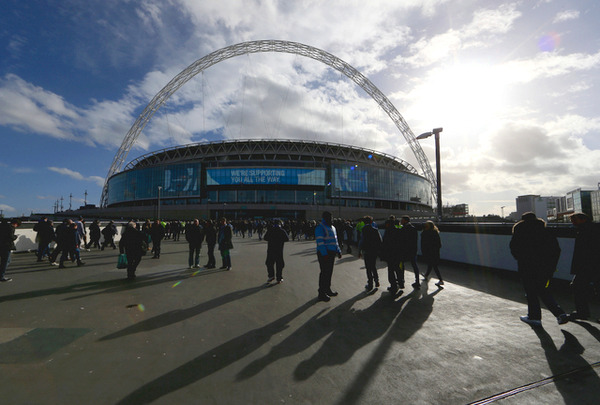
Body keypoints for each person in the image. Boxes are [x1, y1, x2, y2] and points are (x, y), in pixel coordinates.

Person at [510, 212, 568, 326]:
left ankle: (534, 317)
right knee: (542, 289)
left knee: (531, 292)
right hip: (545, 268)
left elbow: (514, 248)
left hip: (527, 266)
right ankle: (560, 314)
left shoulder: (520, 231)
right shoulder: (546, 231)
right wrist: (551, 266)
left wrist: (521, 259)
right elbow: (556, 250)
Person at [568, 212, 600, 321]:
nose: (572, 222)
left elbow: (582, 251)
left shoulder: (583, 231)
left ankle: (582, 312)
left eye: (574, 220)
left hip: (586, 265)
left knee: (578, 287)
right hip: (593, 264)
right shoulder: (593, 228)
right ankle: (582, 312)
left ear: (582, 220)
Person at [315, 211, 342, 302]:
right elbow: (320, 242)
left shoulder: (333, 228)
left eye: (331, 217)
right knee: (324, 273)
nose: (331, 219)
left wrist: (338, 251)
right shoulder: (320, 227)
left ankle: (327, 289)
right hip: (324, 254)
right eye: (329, 217)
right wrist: (324, 254)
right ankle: (321, 293)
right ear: (324, 218)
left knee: (329, 272)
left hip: (332, 253)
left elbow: (335, 241)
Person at [381, 215, 404, 297]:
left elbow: (384, 244)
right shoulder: (398, 231)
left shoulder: (387, 232)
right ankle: (401, 283)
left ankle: (393, 285)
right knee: (397, 268)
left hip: (390, 254)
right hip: (397, 253)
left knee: (391, 270)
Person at [358, 216, 382, 291]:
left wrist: (360, 251)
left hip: (367, 251)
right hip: (374, 251)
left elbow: (361, 241)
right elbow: (380, 241)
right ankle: (376, 280)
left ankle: (370, 283)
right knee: (373, 266)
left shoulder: (364, 230)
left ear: (364, 222)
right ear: (371, 222)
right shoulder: (375, 230)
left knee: (368, 268)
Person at [263, 219, 289, 284]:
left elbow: (265, 238)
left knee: (269, 263)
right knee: (279, 264)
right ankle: (279, 278)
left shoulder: (270, 230)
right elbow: (287, 239)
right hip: (279, 250)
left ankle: (271, 275)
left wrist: (271, 239)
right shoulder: (282, 231)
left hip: (271, 249)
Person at [399, 216, 421, 289]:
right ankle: (417, 281)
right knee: (414, 265)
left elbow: (401, 240)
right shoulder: (413, 228)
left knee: (401, 265)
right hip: (412, 250)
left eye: (402, 220)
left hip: (404, 250)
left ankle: (401, 281)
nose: (401, 221)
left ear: (405, 221)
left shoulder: (403, 229)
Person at [421, 221, 444, 287]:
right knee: (431, 264)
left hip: (429, 252)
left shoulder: (425, 233)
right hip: (434, 252)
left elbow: (423, 244)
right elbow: (439, 244)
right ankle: (426, 275)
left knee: (433, 265)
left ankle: (441, 280)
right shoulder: (435, 233)